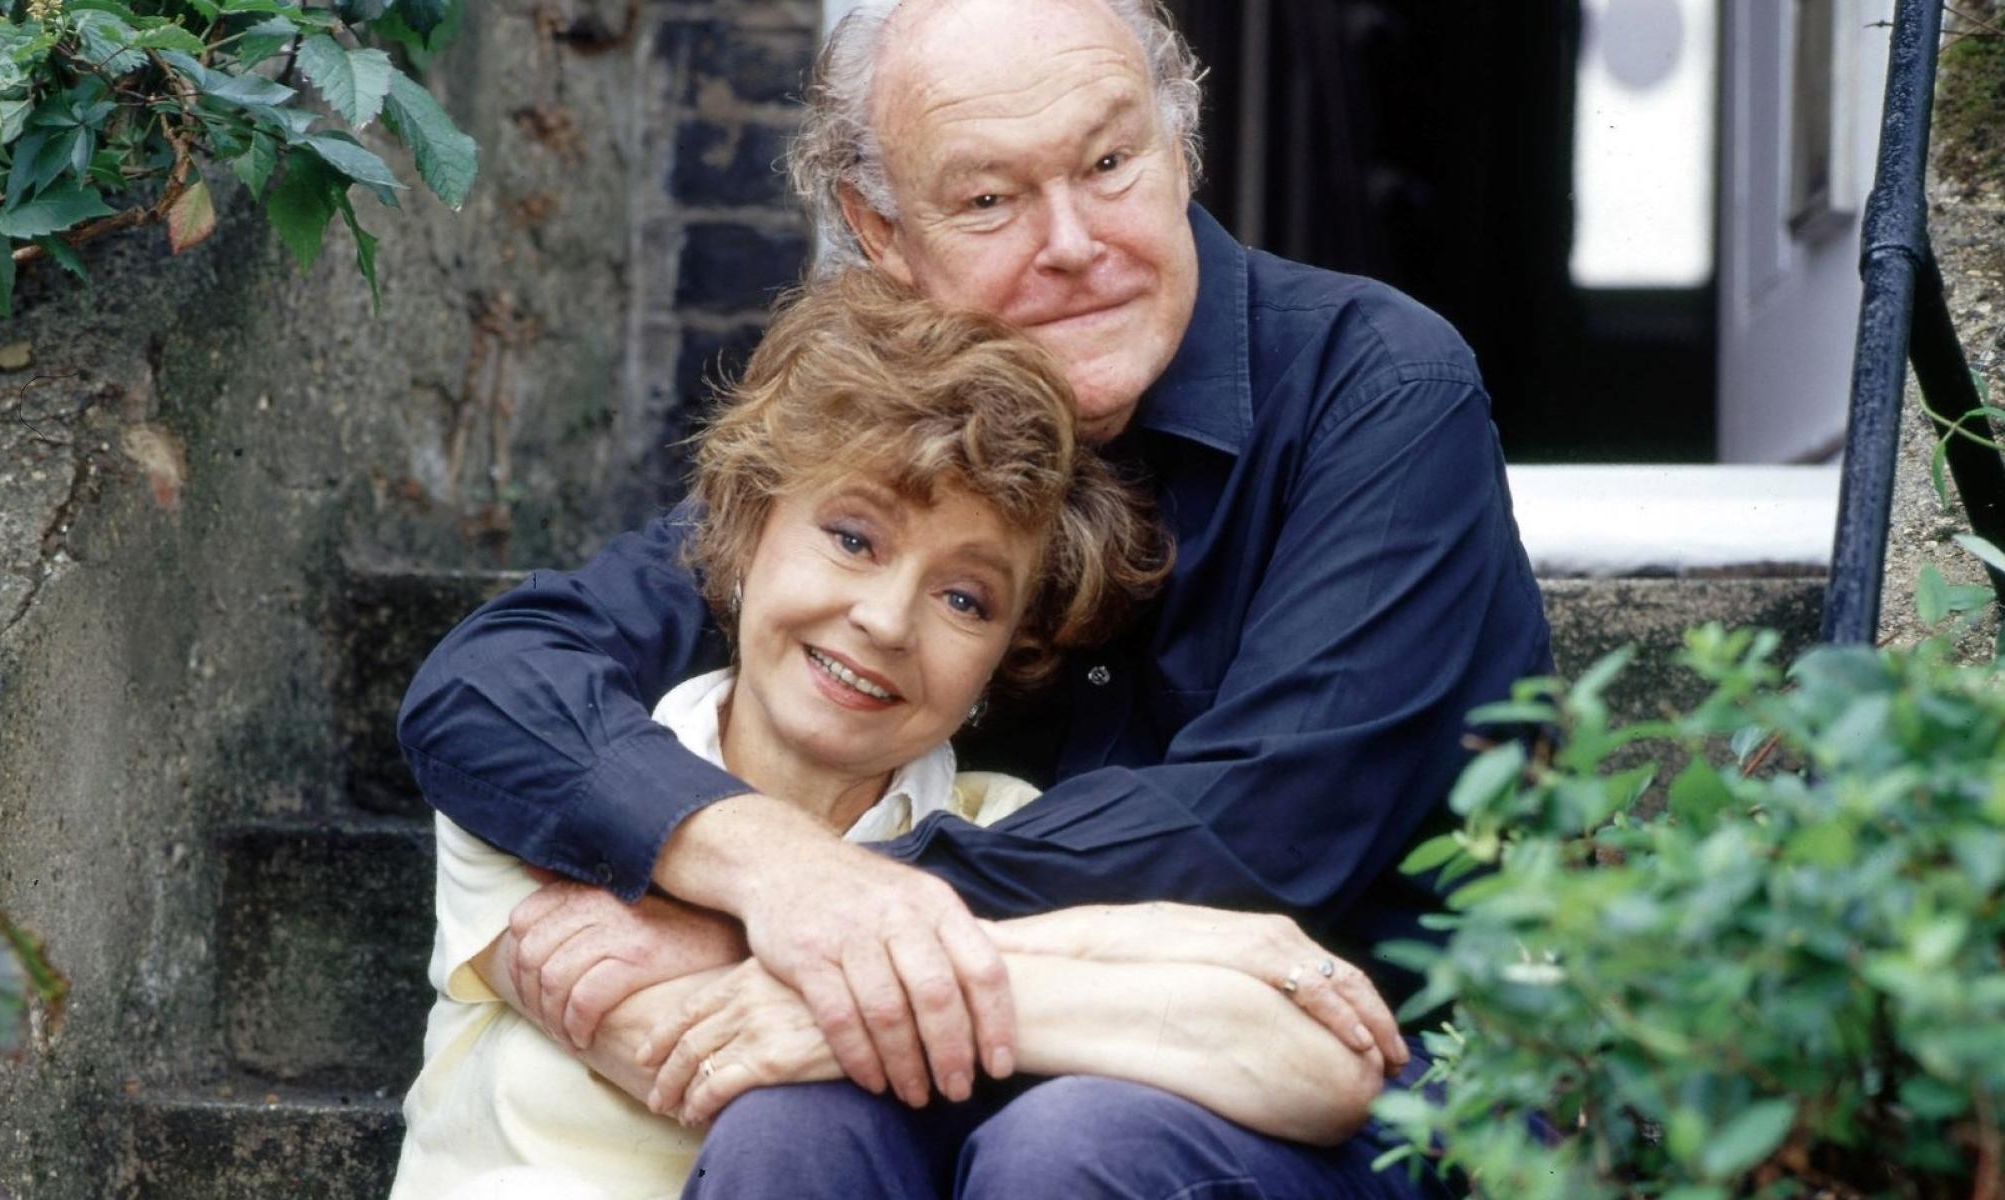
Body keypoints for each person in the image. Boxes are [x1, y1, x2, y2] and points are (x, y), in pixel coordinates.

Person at [398, 0, 1549, 1192]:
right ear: (874, 228)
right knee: (792, 1135)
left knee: (1074, 1144)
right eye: (989, 199)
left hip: (1368, 1070)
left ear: (1181, 151)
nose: (1071, 241)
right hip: (990, 1055)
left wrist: (815, 931)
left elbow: (1262, 835)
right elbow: (492, 684)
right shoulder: (902, 443)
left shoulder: (1381, 391)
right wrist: (771, 873)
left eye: (1109, 164)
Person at [389, 271, 1381, 1200]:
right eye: (853, 538)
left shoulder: (1009, 833)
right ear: (743, 531)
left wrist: (1102, 933)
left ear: (1007, 655)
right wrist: (1117, 949)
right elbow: (680, 1051)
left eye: (964, 597)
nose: (887, 620)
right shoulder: (562, 785)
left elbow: (1313, 1068)